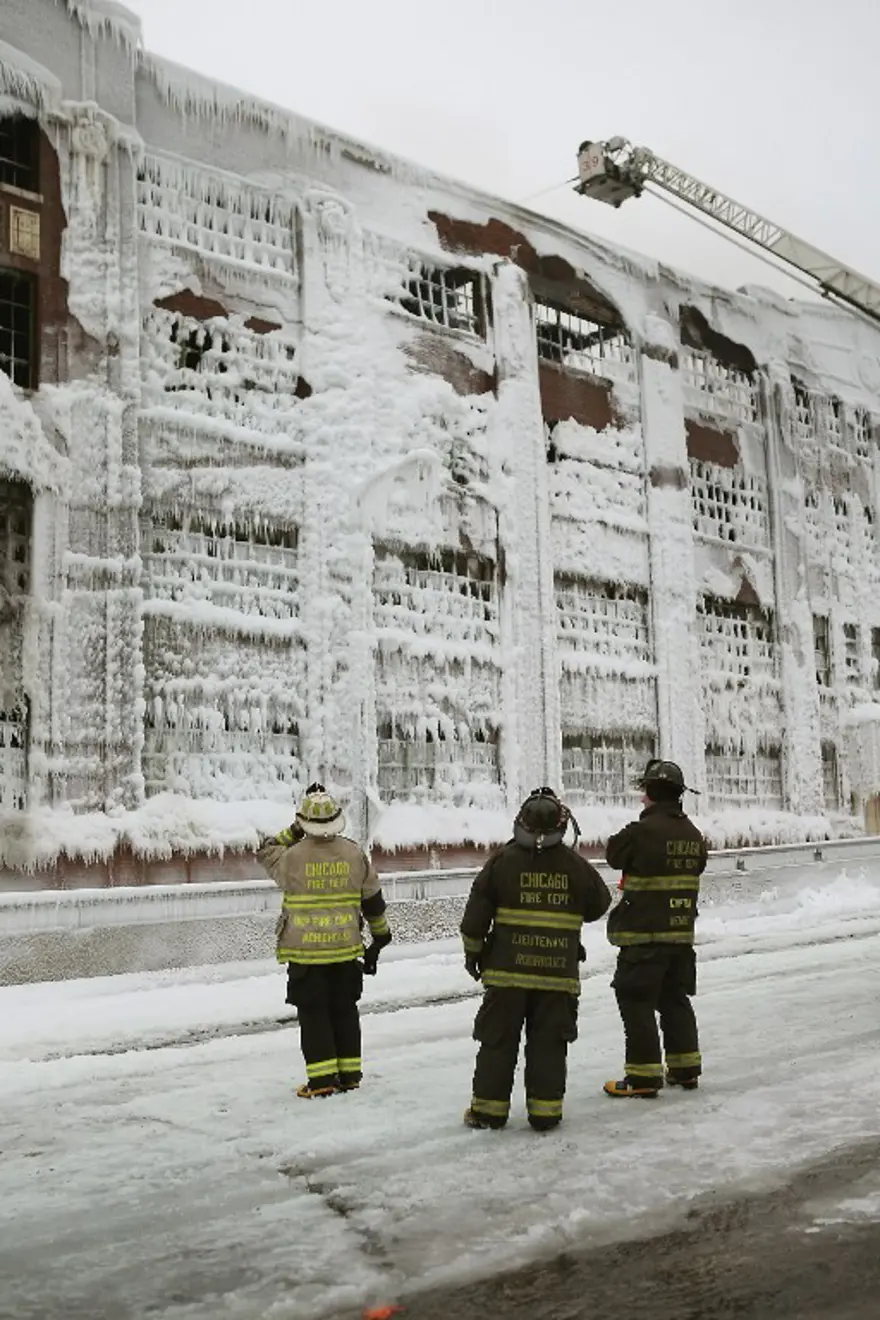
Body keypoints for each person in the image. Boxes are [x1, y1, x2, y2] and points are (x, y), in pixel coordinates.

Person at [459, 787, 611, 1131]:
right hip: (557, 976)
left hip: (505, 976)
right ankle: (545, 1114)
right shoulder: (576, 866)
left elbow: (474, 920)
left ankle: (487, 1113)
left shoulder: (501, 861)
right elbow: (599, 905)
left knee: (497, 1042)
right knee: (549, 1046)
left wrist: (473, 954)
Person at [257, 782, 392, 1098]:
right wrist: (380, 939)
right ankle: (349, 1075)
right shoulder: (354, 853)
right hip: (346, 951)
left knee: (314, 1013)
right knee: (345, 1009)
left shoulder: (290, 858)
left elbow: (265, 849)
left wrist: (295, 828)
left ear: (304, 823)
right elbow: (372, 900)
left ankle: (322, 1081)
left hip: (306, 956)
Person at [603, 759, 708, 1099]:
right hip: (680, 936)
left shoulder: (640, 832)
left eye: (644, 791)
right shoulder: (694, 835)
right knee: (674, 998)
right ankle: (685, 1070)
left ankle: (643, 1077)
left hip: (644, 936)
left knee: (636, 1000)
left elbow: (613, 853)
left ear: (649, 792)